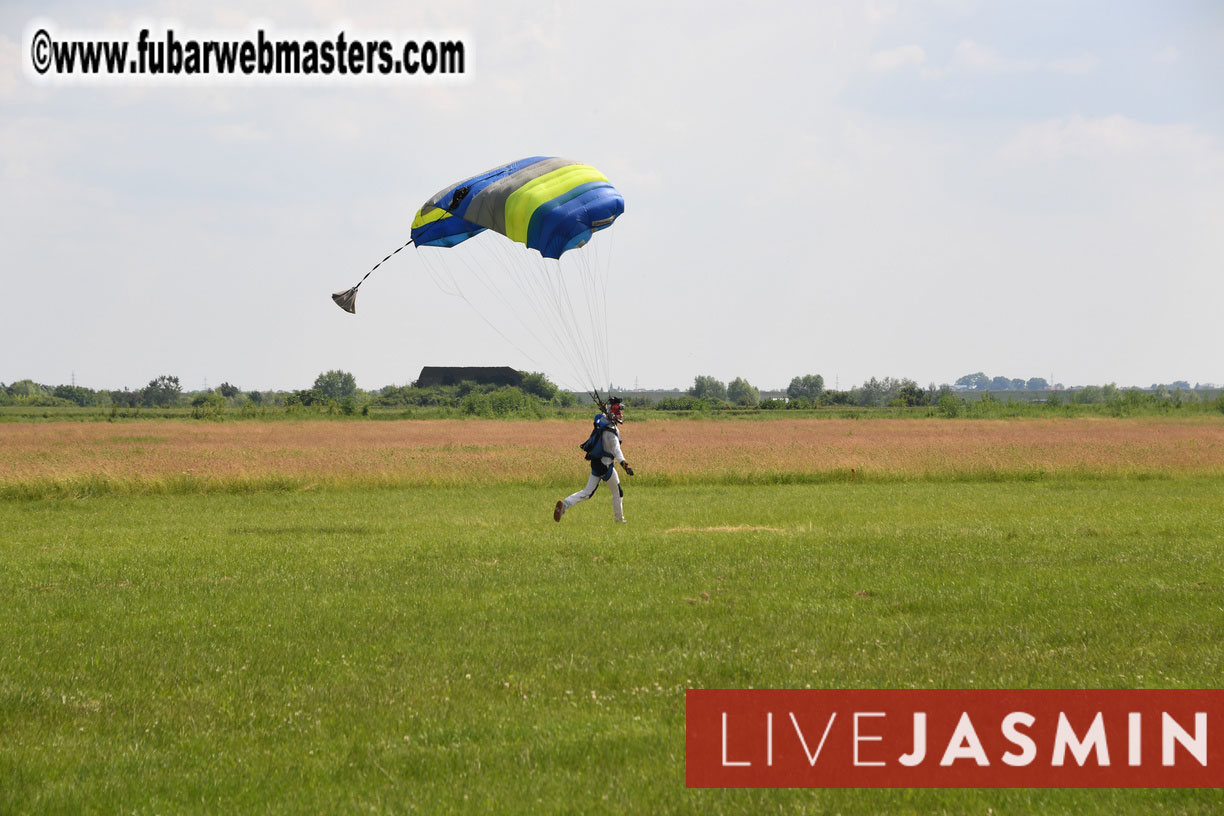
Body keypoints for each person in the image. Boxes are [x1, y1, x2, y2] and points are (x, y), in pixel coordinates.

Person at [554, 397, 634, 524]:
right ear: (613, 414)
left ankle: (565, 504)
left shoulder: (603, 421)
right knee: (617, 491)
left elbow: (602, 415)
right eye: (619, 412)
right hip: (605, 465)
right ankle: (619, 520)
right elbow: (617, 451)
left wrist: (607, 407)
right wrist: (626, 466)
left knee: (587, 493)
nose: (621, 415)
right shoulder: (611, 433)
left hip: (596, 463)